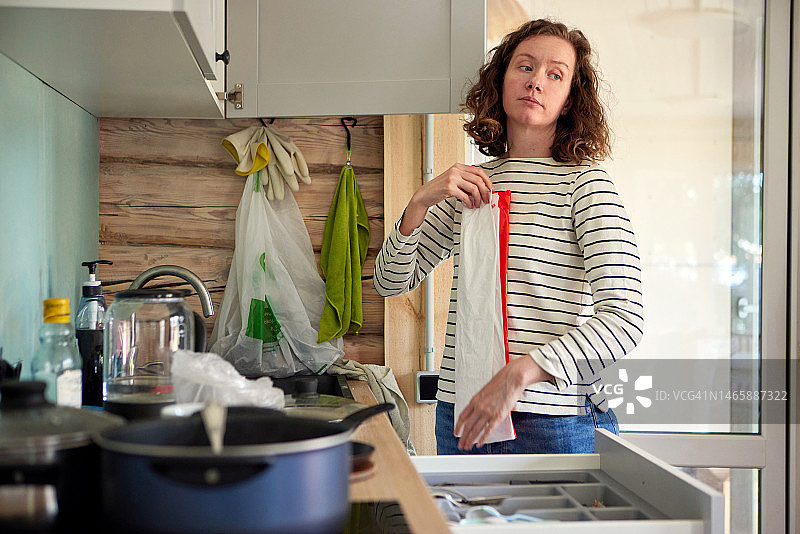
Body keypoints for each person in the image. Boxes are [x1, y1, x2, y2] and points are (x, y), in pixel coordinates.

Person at [373, 19, 643, 455]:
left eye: (555, 74)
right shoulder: (473, 185)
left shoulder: (585, 184)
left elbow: (625, 318)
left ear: (571, 97)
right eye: (525, 67)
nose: (537, 82)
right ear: (500, 79)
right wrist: (420, 201)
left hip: (552, 421)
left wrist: (519, 373)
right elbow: (390, 282)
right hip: (465, 413)